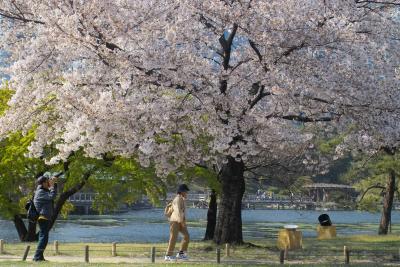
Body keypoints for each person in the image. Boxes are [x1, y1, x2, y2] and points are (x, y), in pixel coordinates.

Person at [32, 175, 58, 262]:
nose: (49, 183)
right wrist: (53, 185)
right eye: (47, 181)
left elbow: (52, 193)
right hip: (43, 217)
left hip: (44, 217)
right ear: (43, 183)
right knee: (44, 238)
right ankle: (36, 257)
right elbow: (52, 196)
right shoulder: (40, 192)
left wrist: (53, 184)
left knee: (43, 237)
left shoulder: (43, 190)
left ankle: (40, 257)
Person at [165, 184, 190, 261]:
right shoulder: (177, 199)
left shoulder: (182, 199)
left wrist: (183, 221)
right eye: (186, 191)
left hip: (180, 221)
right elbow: (178, 211)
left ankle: (181, 254)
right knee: (173, 238)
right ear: (182, 191)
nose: (187, 193)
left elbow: (182, 212)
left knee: (187, 236)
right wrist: (182, 221)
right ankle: (168, 255)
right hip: (175, 221)